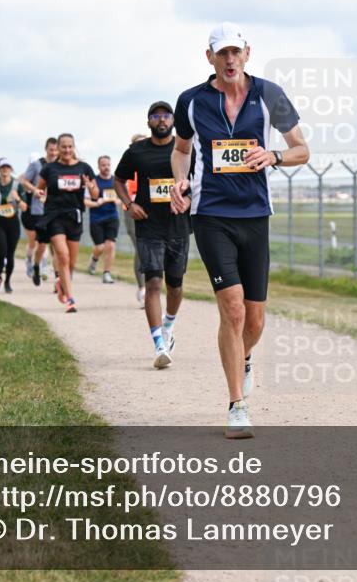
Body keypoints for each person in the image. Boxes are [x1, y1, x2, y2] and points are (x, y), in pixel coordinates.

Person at [170, 22, 310, 438]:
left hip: (254, 216)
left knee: (255, 319)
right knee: (231, 308)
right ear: (209, 57)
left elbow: (302, 149)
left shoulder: (269, 95)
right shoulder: (191, 101)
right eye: (221, 53)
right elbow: (180, 152)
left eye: (235, 52)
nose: (229, 60)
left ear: (247, 53)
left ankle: (242, 358)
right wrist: (180, 181)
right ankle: (237, 406)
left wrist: (275, 156)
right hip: (210, 215)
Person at [116, 102, 191, 369]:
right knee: (154, 284)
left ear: (173, 120)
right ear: (148, 122)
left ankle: (168, 326)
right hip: (149, 227)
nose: (161, 120)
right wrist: (128, 204)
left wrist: (190, 199)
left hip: (178, 226)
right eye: (156, 116)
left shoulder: (184, 149)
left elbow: (198, 181)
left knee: (175, 285)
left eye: (166, 115)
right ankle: (159, 343)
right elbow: (118, 179)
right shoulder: (137, 151)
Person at [35, 133, 98, 313]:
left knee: (71, 262)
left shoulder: (84, 168)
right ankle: (70, 299)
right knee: (62, 255)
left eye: (70, 146)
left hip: (74, 216)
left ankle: (63, 283)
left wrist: (89, 185)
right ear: (59, 148)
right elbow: (39, 189)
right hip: (54, 216)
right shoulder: (50, 169)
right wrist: (40, 194)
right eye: (63, 147)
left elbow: (95, 194)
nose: (67, 150)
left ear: (74, 147)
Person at [20, 138, 59, 286]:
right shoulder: (36, 165)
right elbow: (24, 181)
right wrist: (35, 190)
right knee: (41, 245)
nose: (54, 153)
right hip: (39, 209)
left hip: (56, 209)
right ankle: (36, 266)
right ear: (46, 149)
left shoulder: (61, 165)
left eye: (56, 150)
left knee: (56, 245)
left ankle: (57, 278)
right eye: (51, 150)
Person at [0, 158, 27, 293]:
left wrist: (18, 198)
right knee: (2, 251)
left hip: (13, 223)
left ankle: (8, 281)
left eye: (8, 167)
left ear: (11, 169)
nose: (5, 169)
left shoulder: (17, 185)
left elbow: (25, 207)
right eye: (3, 167)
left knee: (10, 254)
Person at [85, 155, 123, 284]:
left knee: (111, 245)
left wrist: (115, 200)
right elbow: (85, 201)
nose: (106, 167)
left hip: (112, 216)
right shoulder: (94, 181)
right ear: (98, 166)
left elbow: (122, 199)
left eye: (108, 165)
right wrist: (97, 203)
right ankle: (94, 260)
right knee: (100, 247)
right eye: (103, 165)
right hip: (96, 217)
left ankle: (107, 273)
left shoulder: (115, 181)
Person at [126, 133, 148, 304]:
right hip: (132, 210)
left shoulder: (154, 162)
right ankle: (142, 289)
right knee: (140, 248)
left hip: (152, 210)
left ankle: (152, 285)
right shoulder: (127, 165)